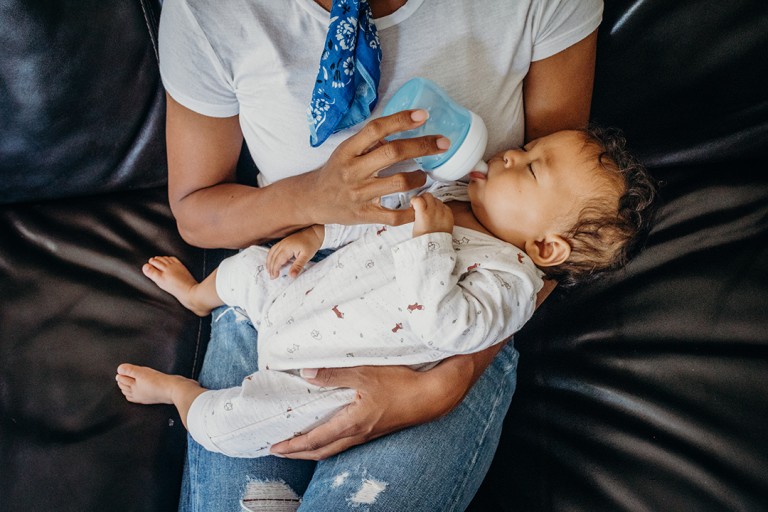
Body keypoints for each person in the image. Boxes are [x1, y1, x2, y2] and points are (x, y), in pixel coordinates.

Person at [156, 0, 605, 509]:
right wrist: (311, 201)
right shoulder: (210, 10)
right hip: (290, 275)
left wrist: (445, 383)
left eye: (524, 165)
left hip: (446, 317)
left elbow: (558, 236)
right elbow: (195, 211)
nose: (509, 157)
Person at [117, 127, 657, 459]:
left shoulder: (511, 281)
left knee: (230, 430)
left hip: (326, 374)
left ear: (546, 246)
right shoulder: (445, 196)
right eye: (527, 147)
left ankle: (181, 395)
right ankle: (197, 296)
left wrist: (432, 240)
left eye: (531, 167)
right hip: (303, 294)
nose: (511, 154)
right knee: (252, 266)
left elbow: (446, 327)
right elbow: (372, 217)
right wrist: (316, 234)